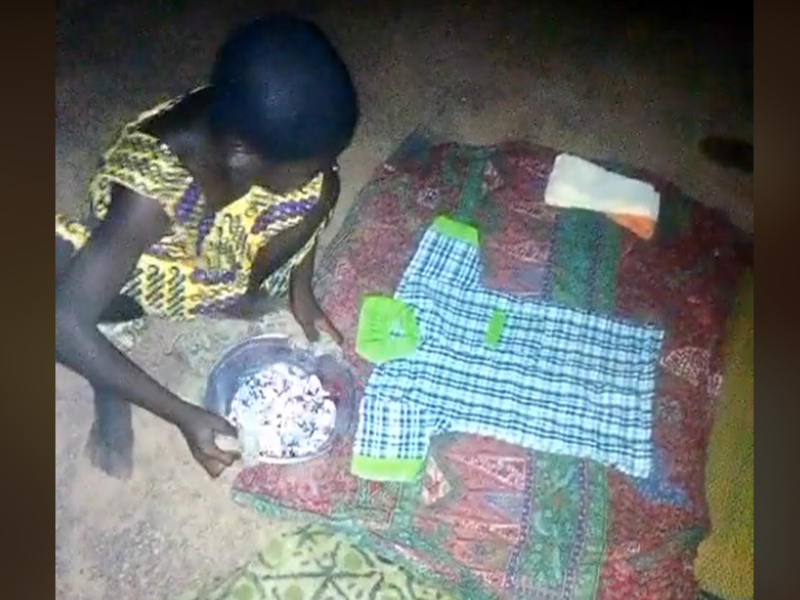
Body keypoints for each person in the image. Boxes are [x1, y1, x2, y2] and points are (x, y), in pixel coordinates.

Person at [55, 14, 359, 480]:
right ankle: (109, 384)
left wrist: (303, 290)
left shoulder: (256, 137)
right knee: (75, 297)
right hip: (160, 254)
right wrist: (182, 413)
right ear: (244, 154)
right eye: (306, 165)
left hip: (220, 234)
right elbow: (62, 322)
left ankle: (232, 294)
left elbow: (314, 184)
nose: (323, 171)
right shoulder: (148, 195)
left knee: (323, 191)